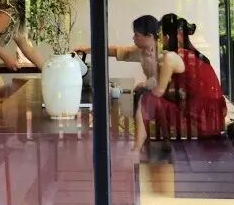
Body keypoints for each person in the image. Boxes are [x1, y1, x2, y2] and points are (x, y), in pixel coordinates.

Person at [90, 14, 185, 153]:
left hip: (174, 95)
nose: (133, 38)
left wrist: (144, 85)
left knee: (143, 100)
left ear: (149, 36)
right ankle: (160, 139)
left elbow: (162, 83)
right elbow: (117, 51)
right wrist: (87, 49)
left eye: (136, 34)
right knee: (144, 96)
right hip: (159, 93)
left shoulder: (164, 55)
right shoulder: (141, 51)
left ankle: (138, 146)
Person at [160, 13, 226, 138]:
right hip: (216, 122)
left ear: (168, 36)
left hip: (199, 124)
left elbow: (161, 90)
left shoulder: (175, 56)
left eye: (161, 36)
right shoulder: (198, 56)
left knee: (150, 99)